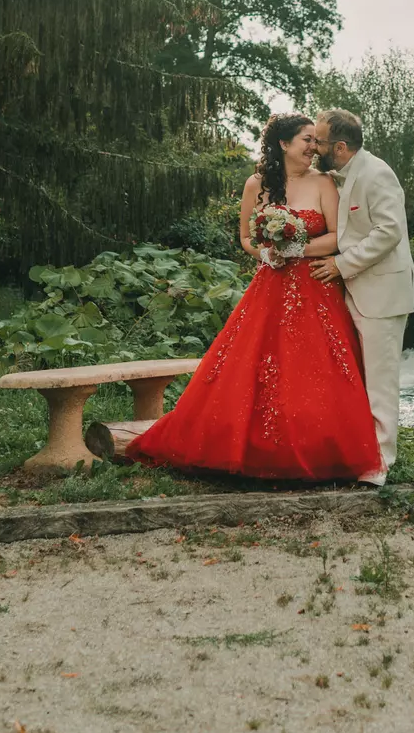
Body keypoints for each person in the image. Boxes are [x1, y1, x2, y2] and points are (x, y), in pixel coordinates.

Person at [124, 114, 382, 481]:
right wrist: (266, 254)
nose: (314, 148)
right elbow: (246, 238)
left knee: (316, 368)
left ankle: (321, 449)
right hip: (270, 285)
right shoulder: (256, 184)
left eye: (316, 141)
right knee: (253, 366)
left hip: (314, 284)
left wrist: (296, 248)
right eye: (307, 140)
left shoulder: (325, 182)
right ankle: (246, 446)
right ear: (283, 144)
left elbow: (339, 238)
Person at [309, 107, 414, 486]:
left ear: (339, 147)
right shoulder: (335, 175)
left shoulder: (377, 174)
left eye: (319, 141)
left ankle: (380, 463)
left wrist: (342, 264)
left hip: (383, 293)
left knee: (381, 379)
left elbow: (389, 232)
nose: (313, 146)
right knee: (356, 377)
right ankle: (359, 450)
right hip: (354, 292)